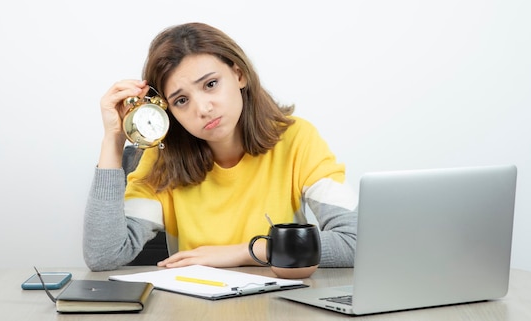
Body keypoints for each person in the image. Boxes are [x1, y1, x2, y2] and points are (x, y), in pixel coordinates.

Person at [83, 23, 358, 271]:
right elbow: (104, 255)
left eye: (211, 84)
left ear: (239, 74)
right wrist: (114, 139)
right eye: (181, 101)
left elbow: (357, 240)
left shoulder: (296, 139)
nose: (203, 108)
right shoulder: (162, 159)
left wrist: (245, 252)